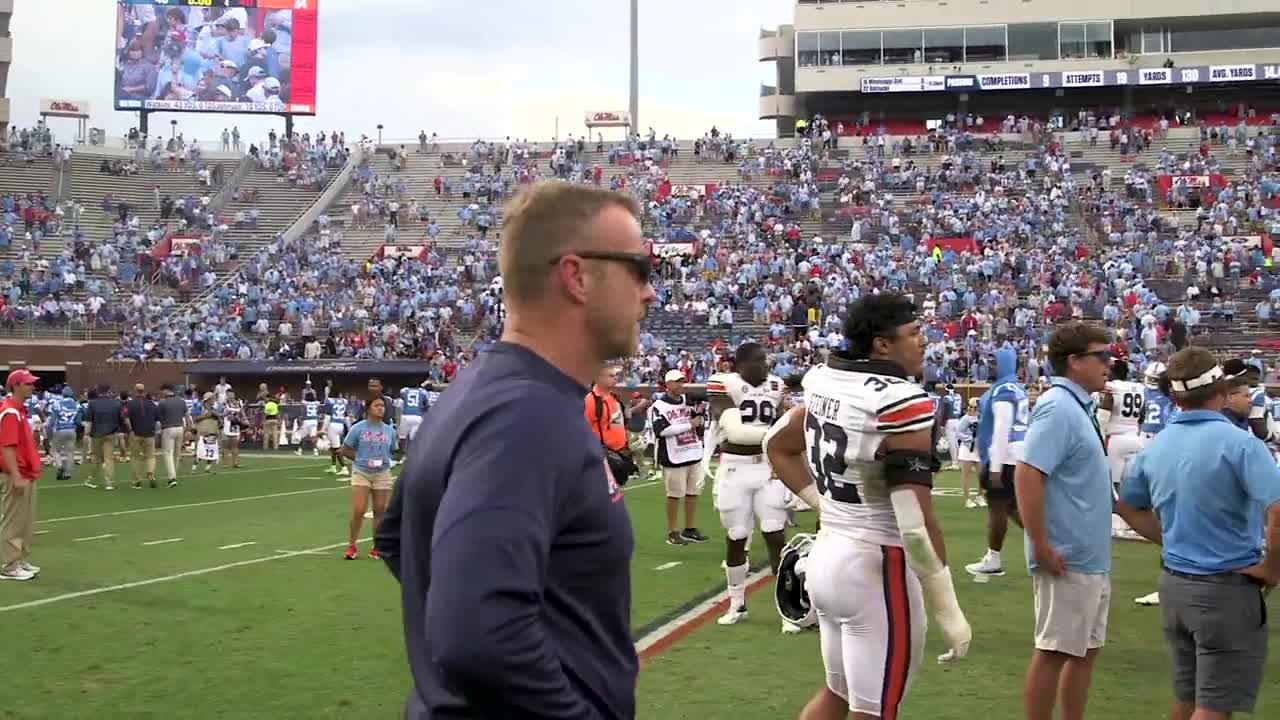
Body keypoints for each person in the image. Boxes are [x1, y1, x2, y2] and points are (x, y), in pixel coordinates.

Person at [382, 182, 651, 718]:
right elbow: (476, 632)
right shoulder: (527, 415)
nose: (649, 292)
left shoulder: (485, 388)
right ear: (576, 276)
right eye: (640, 270)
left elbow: (396, 537)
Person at [763, 293, 971, 720]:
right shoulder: (901, 401)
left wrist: (822, 506)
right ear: (882, 344)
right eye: (913, 335)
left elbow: (776, 445)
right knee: (873, 711)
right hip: (876, 565)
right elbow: (913, 523)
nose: (923, 343)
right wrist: (949, 608)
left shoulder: (825, 378)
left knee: (838, 695)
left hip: (828, 556)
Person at [1116, 346, 1280, 720]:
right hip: (1225, 586)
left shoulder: (1155, 448)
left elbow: (1128, 505)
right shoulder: (1241, 445)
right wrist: (1273, 568)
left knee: (1189, 697)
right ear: (1220, 391)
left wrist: (1172, 540)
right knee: (1213, 706)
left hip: (1174, 585)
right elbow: (1278, 508)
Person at [1013, 322, 1114, 720]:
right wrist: (1040, 544)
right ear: (1074, 362)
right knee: (1054, 650)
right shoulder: (1058, 407)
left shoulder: (1076, 406)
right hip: (1067, 552)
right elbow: (1028, 473)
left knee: (1085, 651)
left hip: (1088, 553)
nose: (1110, 363)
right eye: (1101, 356)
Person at [706, 341, 789, 628]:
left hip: (767, 469)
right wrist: (778, 434)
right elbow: (737, 433)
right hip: (734, 468)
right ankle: (736, 604)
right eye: (758, 361)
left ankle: (787, 608)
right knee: (737, 535)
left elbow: (783, 422)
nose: (765, 366)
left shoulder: (776, 386)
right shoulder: (723, 384)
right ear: (739, 365)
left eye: (765, 361)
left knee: (775, 533)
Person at [967, 346, 1028, 577]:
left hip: (1005, 456)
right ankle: (1049, 543)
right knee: (1012, 508)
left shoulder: (1003, 389)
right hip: (1016, 455)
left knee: (997, 508)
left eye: (994, 362)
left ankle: (993, 559)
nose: (989, 366)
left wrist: (995, 467)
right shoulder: (1016, 388)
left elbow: (1002, 429)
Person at [649, 369, 708, 546]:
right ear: (667, 385)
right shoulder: (659, 406)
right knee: (674, 495)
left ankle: (690, 528)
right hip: (673, 454)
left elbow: (699, 423)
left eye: (682, 381)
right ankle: (672, 531)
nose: (680, 385)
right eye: (676, 381)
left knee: (692, 493)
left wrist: (698, 418)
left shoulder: (688, 402)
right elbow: (661, 431)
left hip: (692, 451)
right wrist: (688, 424)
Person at [340, 396, 396, 561]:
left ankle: (376, 546)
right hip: (362, 472)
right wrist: (359, 459)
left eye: (382, 406)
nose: (381, 408)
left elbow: (394, 449)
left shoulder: (389, 430)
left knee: (380, 510)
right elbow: (346, 449)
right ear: (369, 408)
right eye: (377, 405)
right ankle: (352, 545)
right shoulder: (358, 428)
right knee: (359, 510)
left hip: (382, 473)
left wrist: (387, 459)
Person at [0, 370, 42, 581]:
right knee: (13, 521)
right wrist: (15, 474)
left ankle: (19, 559)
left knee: (25, 520)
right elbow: (7, 447)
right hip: (17, 473)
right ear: (16, 385)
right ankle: (9, 565)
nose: (32, 387)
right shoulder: (10, 412)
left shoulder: (19, 410)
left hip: (26, 472)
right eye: (28, 383)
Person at [1096, 360, 1145, 540]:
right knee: (1130, 484)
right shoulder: (1138, 387)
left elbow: (1104, 411)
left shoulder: (1111, 387)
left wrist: (1099, 435)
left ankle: (1117, 520)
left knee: (1113, 484)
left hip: (1115, 438)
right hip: (1135, 437)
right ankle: (1133, 521)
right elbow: (1142, 414)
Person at [85, 384, 123, 490]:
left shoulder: (92, 403)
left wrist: (86, 434)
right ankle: (109, 483)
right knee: (108, 458)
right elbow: (121, 419)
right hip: (111, 433)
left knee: (96, 458)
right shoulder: (116, 403)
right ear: (109, 391)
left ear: (98, 391)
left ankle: (91, 479)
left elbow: (89, 420)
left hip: (96, 434)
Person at [124, 383, 161, 489]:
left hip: (136, 433)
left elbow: (126, 418)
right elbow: (157, 419)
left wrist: (130, 429)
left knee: (135, 457)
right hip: (149, 433)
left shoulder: (129, 404)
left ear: (135, 391)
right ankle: (150, 472)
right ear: (144, 391)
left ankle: (136, 481)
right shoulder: (152, 404)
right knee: (150, 456)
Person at [48, 385, 81, 482]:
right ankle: (67, 473)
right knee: (70, 453)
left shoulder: (57, 403)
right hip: (72, 430)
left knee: (54, 450)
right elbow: (78, 421)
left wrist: (50, 431)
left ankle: (60, 466)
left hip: (60, 430)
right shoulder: (76, 404)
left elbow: (52, 421)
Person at [157, 385, 187, 488]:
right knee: (177, 454)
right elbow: (185, 414)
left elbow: (159, 417)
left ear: (166, 390)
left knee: (167, 453)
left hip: (168, 428)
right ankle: (174, 475)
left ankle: (172, 478)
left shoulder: (163, 402)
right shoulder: (181, 401)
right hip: (180, 427)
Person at [956, 398, 984, 508]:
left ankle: (980, 496)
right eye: (970, 406)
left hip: (979, 450)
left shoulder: (982, 418)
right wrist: (970, 439)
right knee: (966, 475)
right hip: (968, 449)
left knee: (981, 474)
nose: (972, 409)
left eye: (975, 407)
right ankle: (967, 499)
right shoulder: (965, 418)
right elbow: (958, 433)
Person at [191, 393, 221, 474]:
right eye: (212, 398)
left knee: (211, 451)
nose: (214, 400)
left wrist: (217, 417)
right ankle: (194, 468)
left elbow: (219, 418)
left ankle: (208, 468)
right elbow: (194, 418)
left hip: (212, 432)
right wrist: (206, 416)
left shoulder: (214, 409)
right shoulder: (199, 408)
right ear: (208, 400)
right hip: (202, 433)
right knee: (200, 451)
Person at [323, 391, 350, 476]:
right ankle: (333, 466)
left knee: (336, 448)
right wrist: (349, 428)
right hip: (341, 425)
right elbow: (346, 417)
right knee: (333, 447)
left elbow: (327, 417)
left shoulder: (330, 401)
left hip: (333, 425)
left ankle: (344, 467)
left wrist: (323, 428)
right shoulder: (344, 402)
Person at [941, 383, 964, 470]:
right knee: (956, 443)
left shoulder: (946, 398)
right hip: (958, 420)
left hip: (949, 421)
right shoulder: (958, 396)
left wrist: (942, 425)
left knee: (952, 443)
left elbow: (945, 413)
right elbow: (961, 409)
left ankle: (955, 462)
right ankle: (958, 461)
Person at [295, 388, 321, 457]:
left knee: (303, 437)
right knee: (312, 437)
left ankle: (300, 451)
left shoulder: (305, 403)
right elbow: (318, 403)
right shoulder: (316, 403)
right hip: (314, 420)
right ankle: (315, 451)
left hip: (307, 420)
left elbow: (302, 403)